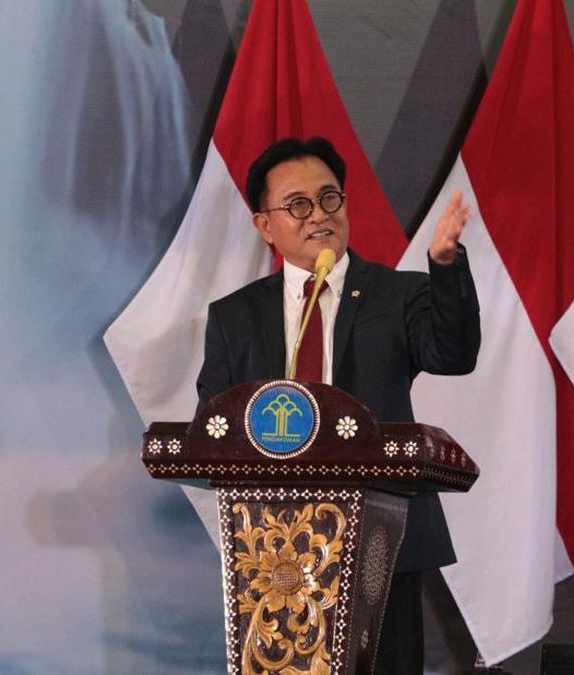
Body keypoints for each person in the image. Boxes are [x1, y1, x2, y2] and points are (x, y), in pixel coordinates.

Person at [196, 136, 480, 673]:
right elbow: (213, 428)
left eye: (329, 198)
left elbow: (454, 353)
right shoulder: (235, 317)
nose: (319, 215)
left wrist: (444, 266)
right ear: (265, 225)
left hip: (382, 543)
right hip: (273, 554)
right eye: (297, 204)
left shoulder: (396, 295)